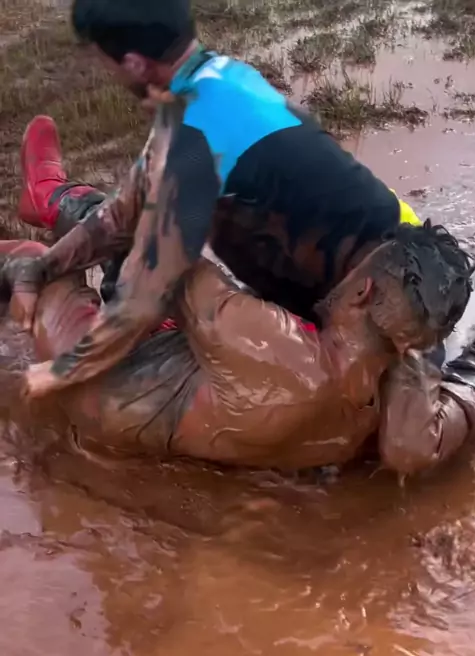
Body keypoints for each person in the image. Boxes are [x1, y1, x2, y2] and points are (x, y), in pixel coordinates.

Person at [3, 0, 449, 401]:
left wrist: (52, 375)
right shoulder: (224, 80)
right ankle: (51, 196)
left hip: (389, 305)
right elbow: (125, 212)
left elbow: (143, 295)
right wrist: (43, 267)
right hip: (363, 276)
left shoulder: (191, 138)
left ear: (135, 63)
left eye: (105, 62)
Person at [1, 222, 475, 476]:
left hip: (95, 394)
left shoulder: (272, 341)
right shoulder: (382, 414)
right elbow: (415, 444)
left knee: (34, 260)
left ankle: (55, 199)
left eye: (353, 273)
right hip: (167, 428)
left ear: (361, 290)